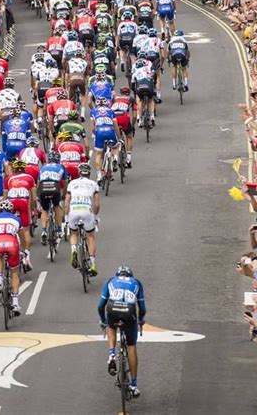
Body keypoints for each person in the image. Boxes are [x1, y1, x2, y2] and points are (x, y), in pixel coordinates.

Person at [98, 265, 146, 398]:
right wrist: (141, 320)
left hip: (113, 309)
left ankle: (112, 354)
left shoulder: (111, 281)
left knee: (111, 326)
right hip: (129, 312)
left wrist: (103, 321)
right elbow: (142, 308)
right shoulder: (136, 283)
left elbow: (100, 305)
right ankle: (134, 385)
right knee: (131, 346)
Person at [0, 199, 23, 315]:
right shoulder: (17, 219)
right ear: (11, 210)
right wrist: (21, 250)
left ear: (0, 209)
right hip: (12, 243)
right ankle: (16, 303)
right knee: (14, 272)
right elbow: (21, 237)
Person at [65, 162, 100, 276]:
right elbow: (97, 205)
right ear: (89, 173)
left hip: (74, 210)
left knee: (74, 233)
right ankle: (93, 264)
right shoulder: (93, 184)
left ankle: (74, 250)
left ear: (79, 173)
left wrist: (66, 217)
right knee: (90, 236)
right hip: (87, 211)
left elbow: (66, 202)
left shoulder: (72, 183)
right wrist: (95, 216)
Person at [38, 150, 67, 244]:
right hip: (55, 186)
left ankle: (43, 230)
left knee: (44, 210)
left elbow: (38, 182)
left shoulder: (43, 167)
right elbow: (65, 182)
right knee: (56, 206)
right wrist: (64, 194)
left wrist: (39, 195)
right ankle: (59, 229)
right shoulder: (61, 167)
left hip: (43, 187)